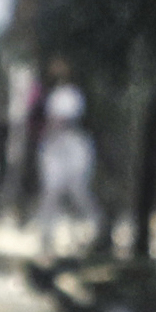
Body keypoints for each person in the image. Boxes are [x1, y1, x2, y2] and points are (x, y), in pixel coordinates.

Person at [34, 75, 97, 259]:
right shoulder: (49, 144)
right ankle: (46, 240)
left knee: (79, 193)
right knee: (50, 196)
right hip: (55, 150)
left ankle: (92, 233)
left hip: (73, 154)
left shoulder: (80, 143)